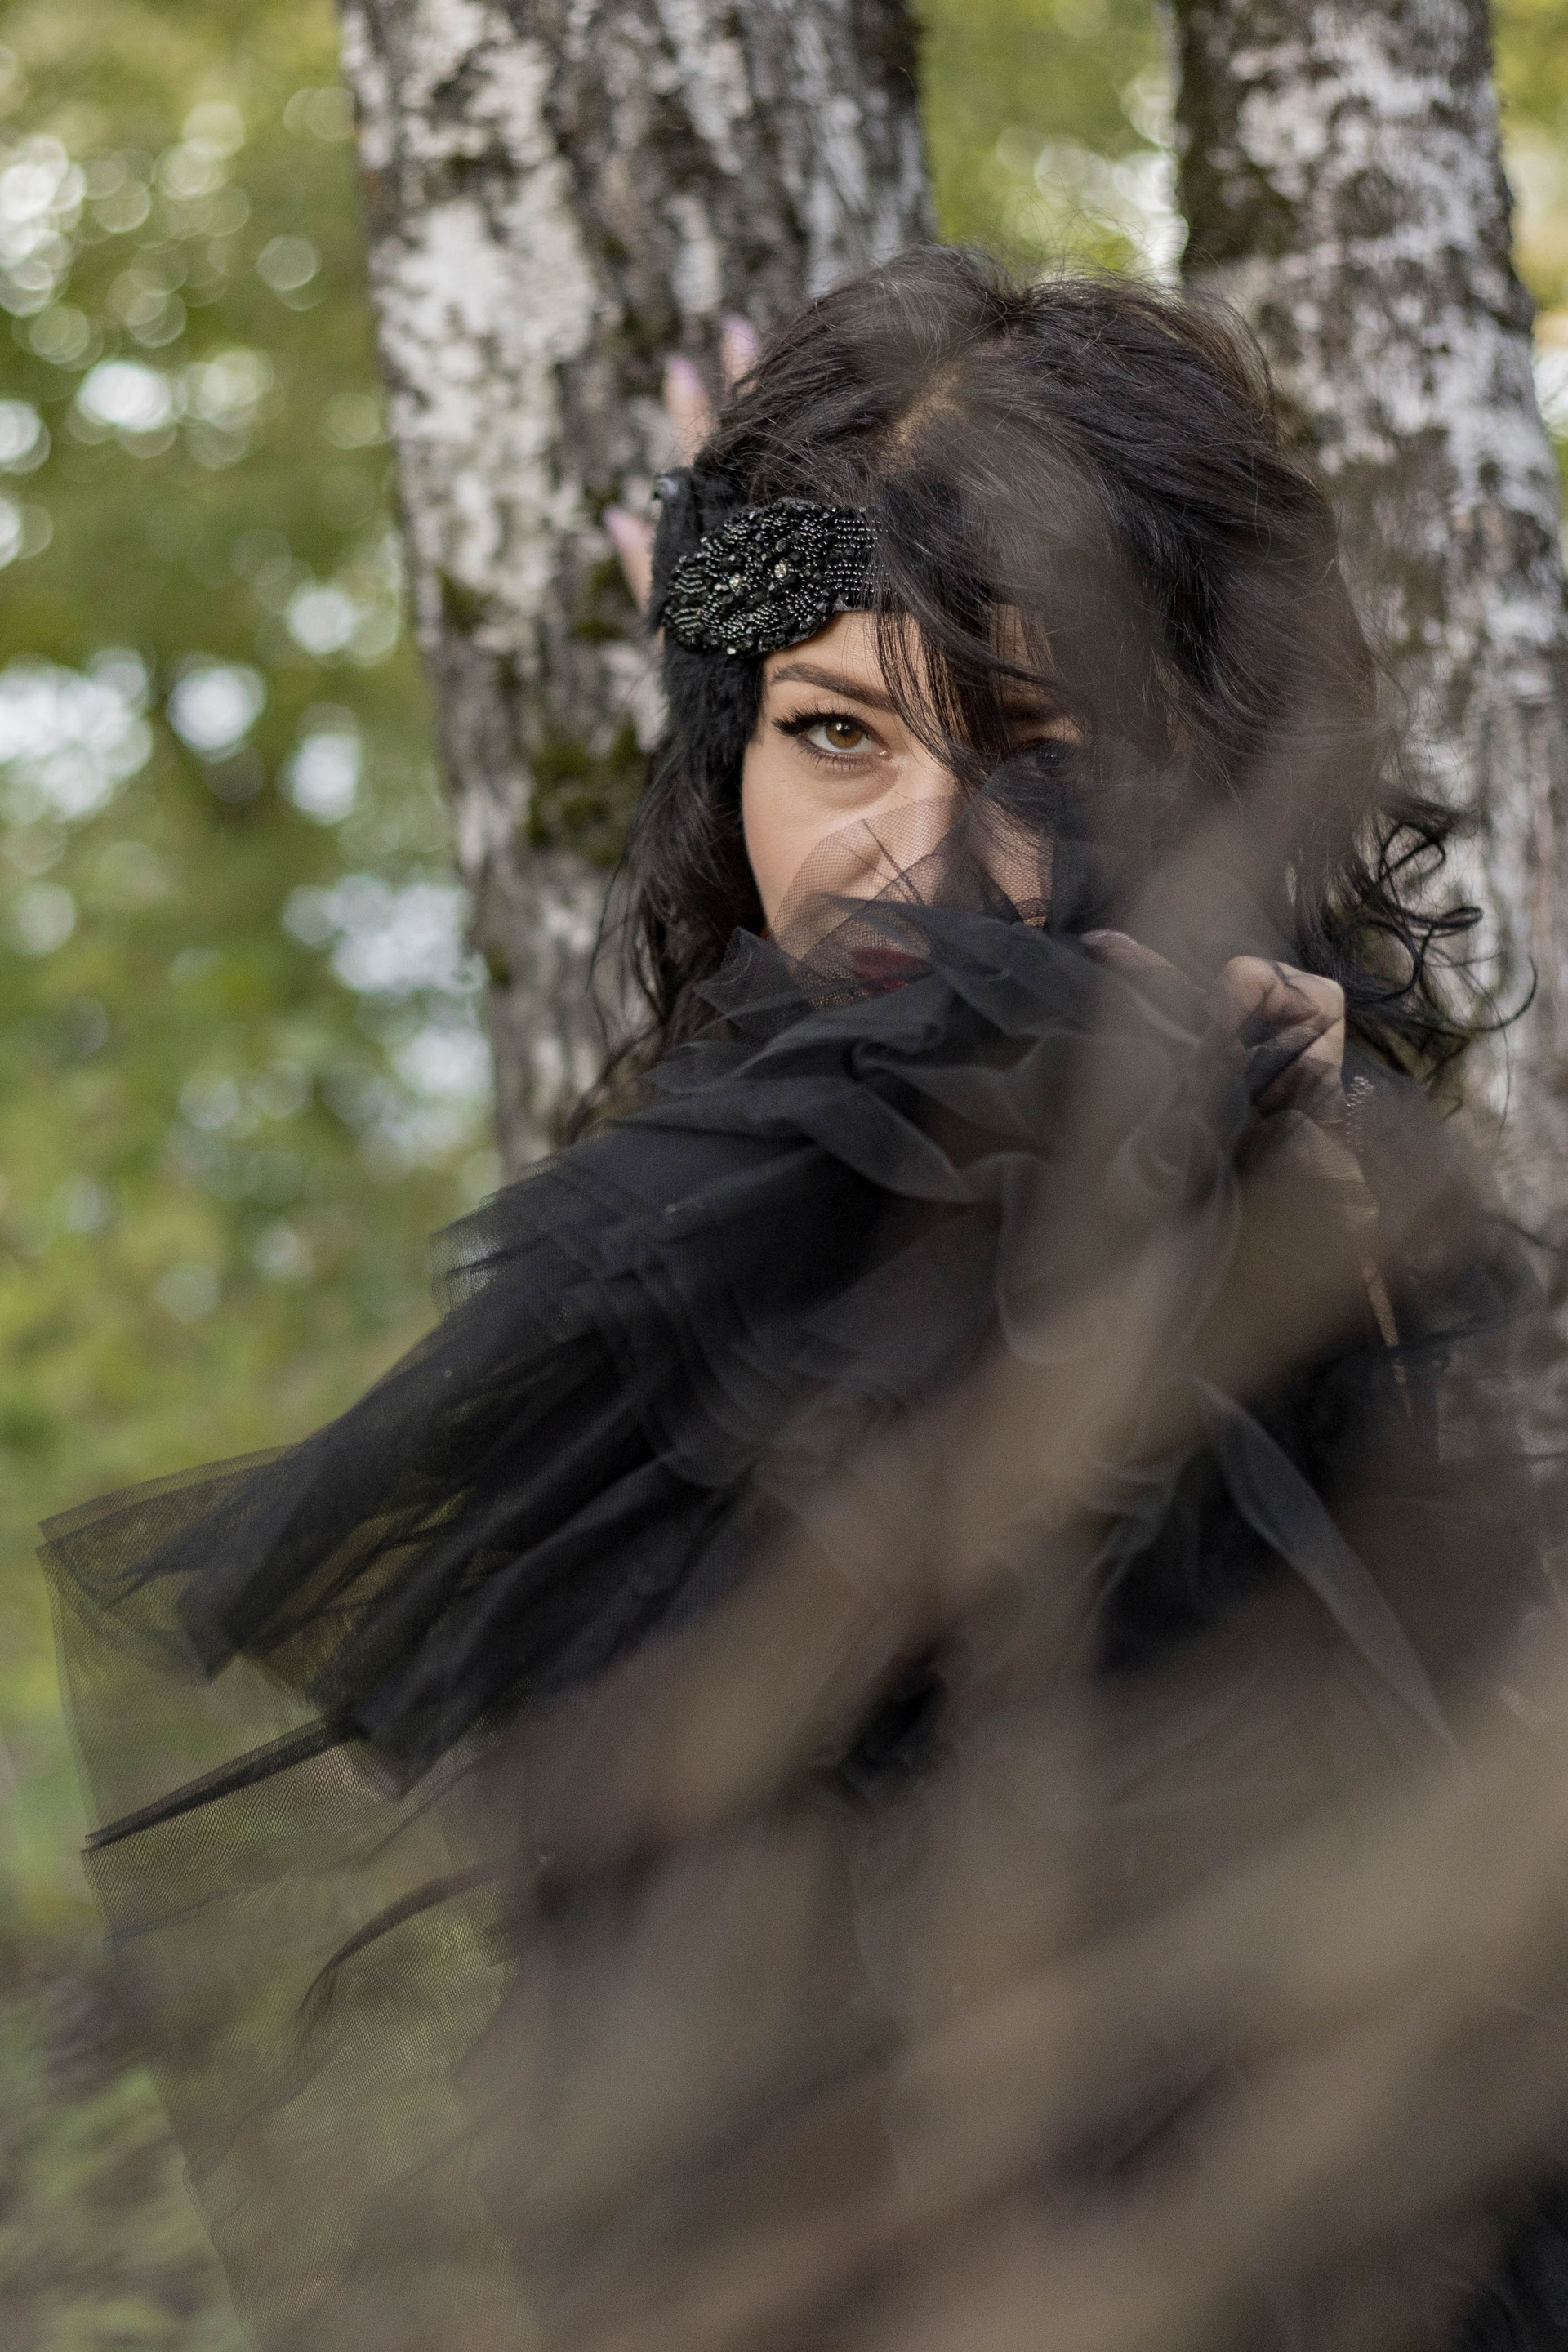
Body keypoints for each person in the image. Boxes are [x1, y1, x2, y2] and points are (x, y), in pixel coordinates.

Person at [43, 247, 1566, 2352]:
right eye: (830, 733)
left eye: (1036, 752)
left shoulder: (1244, 1144)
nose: (916, 853)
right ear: (723, 760)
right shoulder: (782, 1171)